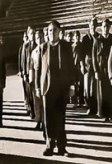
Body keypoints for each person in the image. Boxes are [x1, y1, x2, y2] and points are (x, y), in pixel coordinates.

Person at [35, 21, 74, 156]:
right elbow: (38, 69)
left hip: (62, 88)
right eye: (50, 31)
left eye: (55, 30)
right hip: (47, 88)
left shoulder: (66, 47)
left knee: (61, 117)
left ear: (59, 32)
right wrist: (37, 87)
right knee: (48, 118)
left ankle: (62, 147)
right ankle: (49, 146)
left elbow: (71, 68)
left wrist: (72, 85)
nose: (52, 33)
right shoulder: (42, 48)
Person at [92, 18, 112, 122]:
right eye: (104, 26)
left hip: (111, 68)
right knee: (103, 92)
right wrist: (96, 70)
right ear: (101, 28)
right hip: (101, 68)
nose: (105, 28)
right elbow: (94, 56)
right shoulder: (97, 40)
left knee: (111, 91)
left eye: (107, 26)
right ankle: (104, 114)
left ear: (110, 27)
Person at [79, 17, 99, 115]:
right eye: (91, 25)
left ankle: (95, 108)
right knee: (87, 89)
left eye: (95, 25)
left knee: (94, 88)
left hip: (97, 66)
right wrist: (82, 65)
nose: (93, 26)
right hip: (87, 65)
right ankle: (89, 106)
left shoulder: (98, 37)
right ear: (89, 25)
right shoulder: (85, 38)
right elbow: (81, 54)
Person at [29, 29, 44, 130]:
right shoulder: (34, 52)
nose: (38, 40)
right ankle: (38, 121)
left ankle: (45, 122)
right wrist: (31, 78)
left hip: (44, 78)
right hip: (36, 79)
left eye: (40, 37)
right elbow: (31, 65)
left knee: (44, 102)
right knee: (37, 102)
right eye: (36, 38)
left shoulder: (46, 49)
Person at [18, 28, 34, 117]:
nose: (32, 35)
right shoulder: (25, 46)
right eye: (31, 34)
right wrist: (23, 72)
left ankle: (35, 110)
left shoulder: (37, 45)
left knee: (34, 93)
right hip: (27, 73)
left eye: (33, 34)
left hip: (34, 73)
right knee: (28, 92)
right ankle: (30, 109)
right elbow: (23, 60)